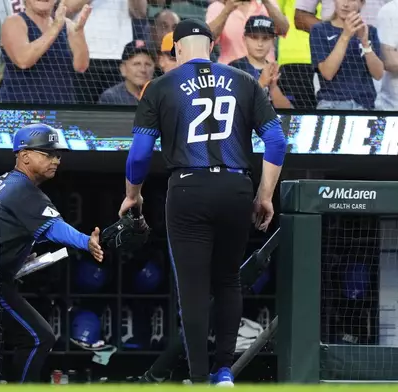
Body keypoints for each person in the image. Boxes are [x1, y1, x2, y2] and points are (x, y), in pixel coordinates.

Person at [118, 19, 287, 386]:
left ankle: (197, 376)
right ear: (211, 46)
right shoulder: (244, 80)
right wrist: (265, 195)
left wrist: (134, 195)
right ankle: (224, 371)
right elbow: (276, 141)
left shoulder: (159, 86)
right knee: (228, 280)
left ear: (177, 49)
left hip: (189, 188)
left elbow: (140, 154)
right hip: (236, 187)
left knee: (193, 287)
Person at [0, 123, 104, 383]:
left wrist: (22, 256)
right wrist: (86, 242)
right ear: (24, 155)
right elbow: (55, 228)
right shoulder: (22, 189)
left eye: (57, 154)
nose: (56, 159)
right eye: (48, 154)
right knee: (39, 337)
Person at [229, 16, 293, 109]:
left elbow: (287, 110)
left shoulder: (277, 71)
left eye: (266, 38)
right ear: (244, 39)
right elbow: (234, 105)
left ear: (273, 41)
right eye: (254, 37)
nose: (260, 44)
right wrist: (261, 84)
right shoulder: (234, 68)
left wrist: (273, 87)